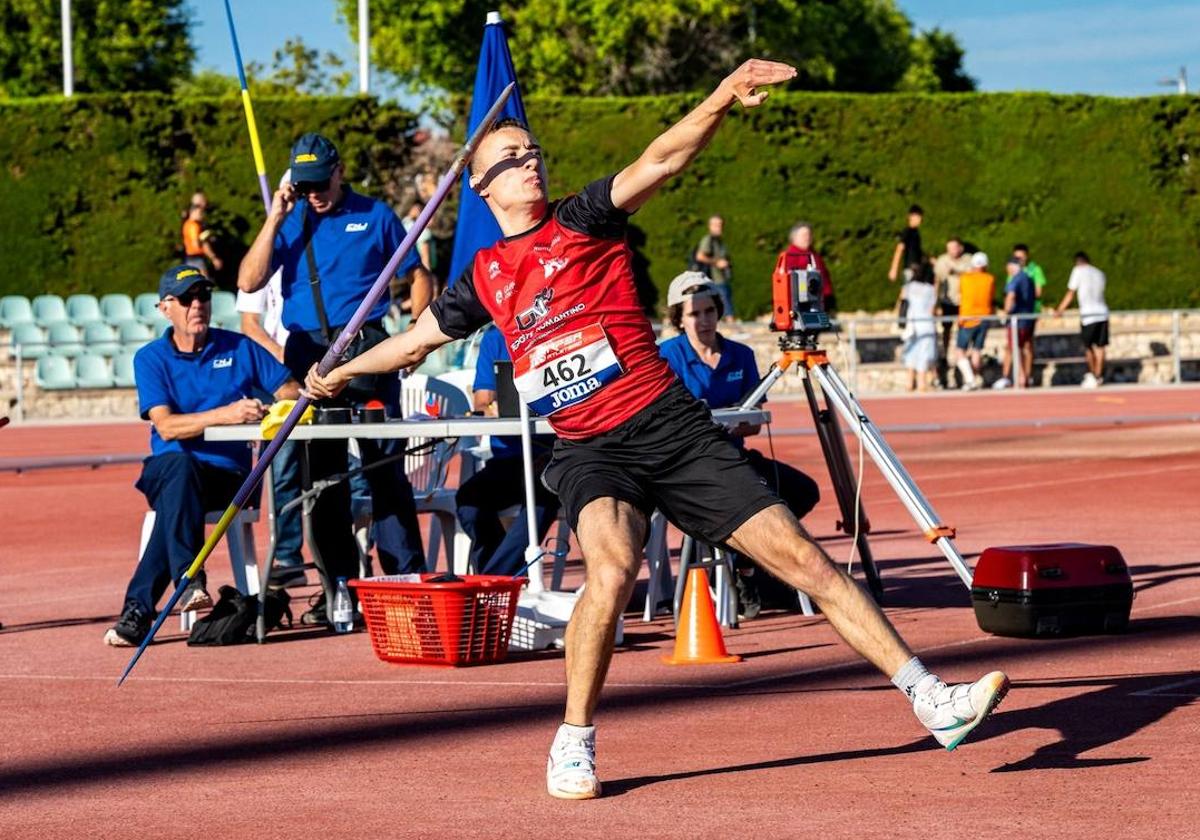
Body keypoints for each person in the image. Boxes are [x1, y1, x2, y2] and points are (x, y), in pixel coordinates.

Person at [304, 60, 1008, 801]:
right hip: (588, 449)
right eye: (509, 158)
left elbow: (664, 156)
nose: (528, 161)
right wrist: (339, 372)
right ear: (481, 188)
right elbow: (415, 341)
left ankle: (931, 697)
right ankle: (573, 742)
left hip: (669, 429)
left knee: (803, 558)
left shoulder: (584, 218)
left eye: (532, 150)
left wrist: (721, 96)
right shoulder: (484, 275)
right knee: (610, 570)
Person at [237, 133, 436, 621]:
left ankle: (404, 584)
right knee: (323, 480)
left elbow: (418, 273)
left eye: (321, 183)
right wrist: (275, 217)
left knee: (383, 472)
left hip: (369, 350)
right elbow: (247, 281)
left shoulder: (376, 215)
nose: (315, 194)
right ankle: (340, 588)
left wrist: (419, 330)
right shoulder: (290, 221)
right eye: (304, 186)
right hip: (310, 354)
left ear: (340, 171)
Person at [104, 265, 298, 647]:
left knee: (177, 504)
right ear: (164, 308)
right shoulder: (150, 358)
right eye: (187, 298)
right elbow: (167, 428)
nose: (198, 305)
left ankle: (141, 610)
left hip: (227, 477)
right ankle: (187, 578)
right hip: (168, 468)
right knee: (179, 469)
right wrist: (226, 415)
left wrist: (269, 408)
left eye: (204, 296)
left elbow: (290, 389)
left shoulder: (238, 348)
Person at [659, 271, 821, 616]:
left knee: (802, 491)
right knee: (748, 500)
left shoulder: (741, 355)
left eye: (709, 311)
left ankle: (750, 567)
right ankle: (747, 571)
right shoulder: (665, 356)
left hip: (737, 458)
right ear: (678, 318)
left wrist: (724, 424)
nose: (703, 320)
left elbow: (753, 424)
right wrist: (721, 424)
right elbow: (670, 424)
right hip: (691, 468)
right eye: (693, 314)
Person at [236, 170, 307, 589]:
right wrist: (285, 361)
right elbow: (250, 323)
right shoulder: (266, 250)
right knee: (282, 465)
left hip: (317, 368)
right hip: (277, 374)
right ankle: (286, 553)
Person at [455, 325, 560, 576]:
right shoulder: (494, 339)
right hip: (508, 459)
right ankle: (502, 579)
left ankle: (493, 580)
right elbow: (482, 402)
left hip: (554, 457)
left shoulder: (557, 332)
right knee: (468, 502)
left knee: (542, 496)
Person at [1050, 251, 1109, 388]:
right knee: (1100, 347)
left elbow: (1070, 293)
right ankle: (1098, 375)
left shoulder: (1078, 271)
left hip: (1088, 315)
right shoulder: (1099, 273)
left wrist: (1060, 310)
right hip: (1102, 313)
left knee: (1088, 347)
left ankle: (1094, 374)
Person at [954, 252, 996, 391]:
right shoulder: (989, 279)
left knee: (960, 351)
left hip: (967, 319)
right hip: (984, 318)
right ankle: (975, 378)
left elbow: (959, 294)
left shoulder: (965, 279)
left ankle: (970, 379)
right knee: (977, 351)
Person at [994, 256, 1036, 389]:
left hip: (1017, 320)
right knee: (1025, 347)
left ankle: (1021, 377)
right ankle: (1026, 376)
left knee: (1015, 348)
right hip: (1028, 318)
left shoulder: (1016, 279)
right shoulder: (1028, 278)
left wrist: (1006, 313)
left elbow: (1011, 295)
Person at [776, 221, 835, 314]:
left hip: (819, 301)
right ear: (794, 237)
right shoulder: (790, 256)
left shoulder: (814, 254)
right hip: (800, 303)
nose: (807, 238)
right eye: (804, 235)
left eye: (809, 235)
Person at [933, 237, 973, 373]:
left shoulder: (968, 259)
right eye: (949, 248)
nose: (951, 251)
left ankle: (964, 355)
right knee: (946, 329)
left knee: (966, 329)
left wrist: (955, 271)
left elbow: (972, 273)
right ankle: (944, 354)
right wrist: (935, 303)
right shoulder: (942, 260)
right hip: (947, 301)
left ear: (961, 248)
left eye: (954, 247)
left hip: (964, 302)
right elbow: (937, 280)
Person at [901, 267, 939, 392]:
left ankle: (909, 383)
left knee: (911, 353)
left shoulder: (909, 287)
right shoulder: (930, 289)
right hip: (927, 325)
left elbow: (902, 300)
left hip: (912, 324)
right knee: (924, 354)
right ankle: (921, 384)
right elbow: (932, 310)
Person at [693, 214, 734, 321]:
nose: (719, 228)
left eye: (720, 225)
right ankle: (732, 326)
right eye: (716, 225)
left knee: (724, 302)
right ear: (710, 226)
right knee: (724, 304)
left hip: (721, 277)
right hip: (714, 278)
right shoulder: (708, 240)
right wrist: (717, 262)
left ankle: (730, 326)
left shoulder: (718, 241)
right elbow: (700, 256)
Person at [181, 192, 223, 277]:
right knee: (203, 283)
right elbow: (196, 244)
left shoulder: (187, 224)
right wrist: (213, 257)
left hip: (190, 258)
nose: (202, 215)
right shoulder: (194, 226)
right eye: (201, 213)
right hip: (196, 259)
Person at [888, 204, 924, 284]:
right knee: (907, 292)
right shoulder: (907, 231)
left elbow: (918, 252)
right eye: (918, 217)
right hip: (909, 270)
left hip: (916, 270)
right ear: (910, 216)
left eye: (920, 217)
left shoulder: (916, 233)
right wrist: (893, 269)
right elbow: (899, 248)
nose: (920, 220)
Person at [1012, 244, 1048, 314]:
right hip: (1016, 311)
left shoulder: (1035, 270)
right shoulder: (1013, 271)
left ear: (1026, 256)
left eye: (1020, 258)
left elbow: (1038, 292)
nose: (1018, 260)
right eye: (1016, 258)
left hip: (1031, 310)